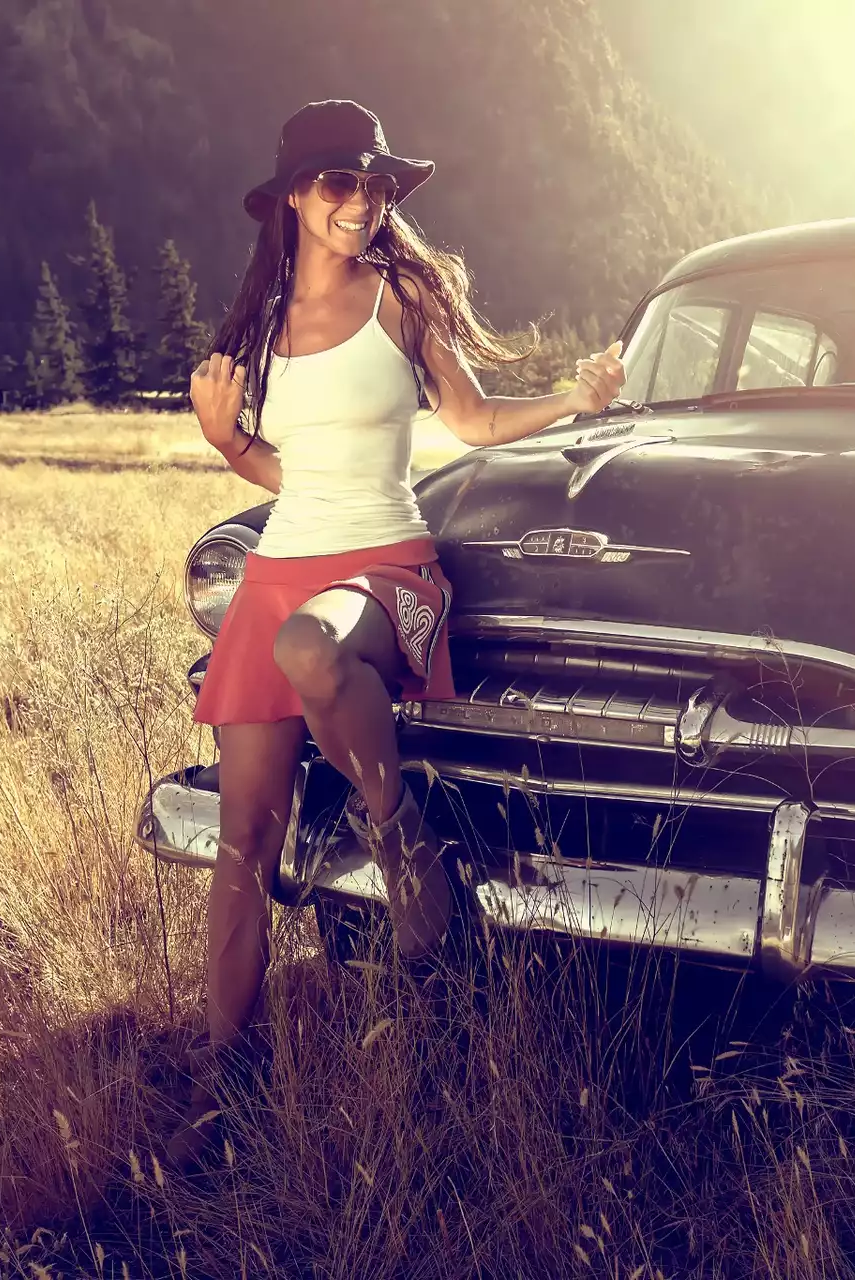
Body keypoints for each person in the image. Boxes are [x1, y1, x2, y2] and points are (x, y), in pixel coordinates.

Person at [167, 99, 625, 1169]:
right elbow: (285, 474)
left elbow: (469, 423)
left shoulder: (404, 296)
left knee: (311, 655)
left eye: (375, 187)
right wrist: (224, 441)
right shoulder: (258, 325)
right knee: (242, 850)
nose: (360, 204)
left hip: (386, 566)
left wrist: (573, 397)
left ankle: (399, 831)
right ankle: (219, 1081)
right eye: (339, 184)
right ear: (293, 196)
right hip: (283, 566)